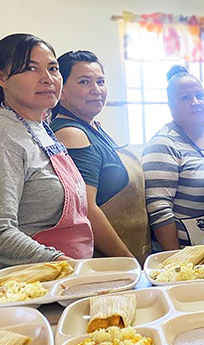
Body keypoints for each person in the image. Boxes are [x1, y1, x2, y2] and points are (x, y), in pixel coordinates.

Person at [0, 34, 93, 275]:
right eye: (31, 69)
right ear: (0, 77)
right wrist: (65, 265)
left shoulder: (40, 125)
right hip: (28, 288)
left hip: (66, 279)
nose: (48, 79)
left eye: (53, 68)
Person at [51, 50, 150, 263]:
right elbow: (85, 208)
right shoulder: (72, 134)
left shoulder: (92, 126)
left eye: (101, 81)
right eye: (84, 82)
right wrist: (128, 262)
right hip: (108, 263)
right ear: (62, 90)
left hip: (129, 256)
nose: (96, 90)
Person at [141, 65, 204, 251]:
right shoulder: (164, 144)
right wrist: (176, 260)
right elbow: (159, 208)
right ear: (170, 105)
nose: (195, 102)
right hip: (184, 254)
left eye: (200, 95)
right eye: (185, 97)